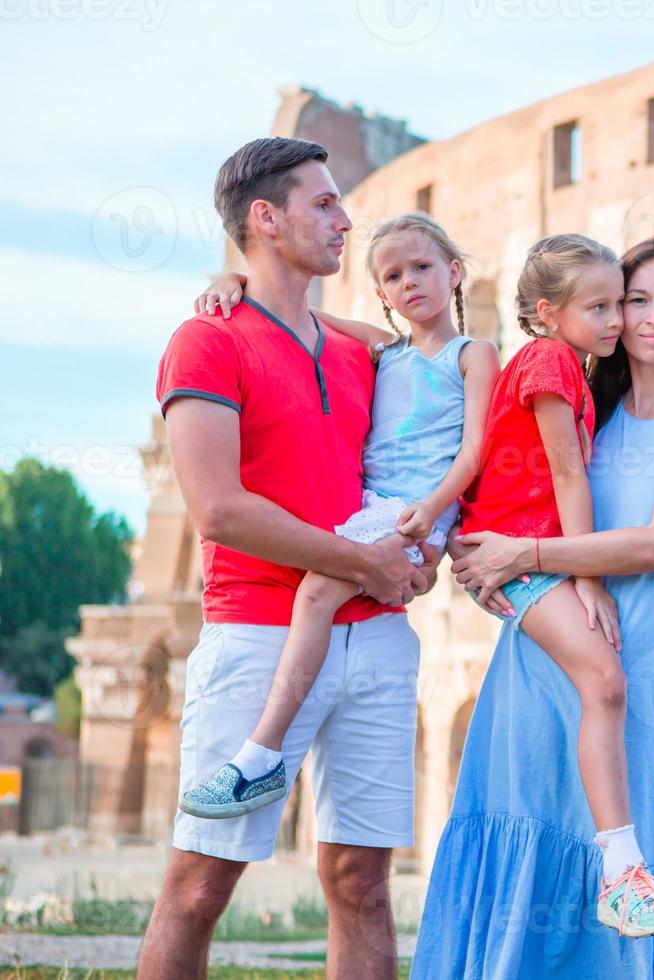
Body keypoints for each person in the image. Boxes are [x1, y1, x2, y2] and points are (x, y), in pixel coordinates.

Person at [412, 236, 654, 978]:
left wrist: (523, 556)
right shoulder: (579, 407)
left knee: (653, 850)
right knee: (545, 846)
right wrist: (243, 289)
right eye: (637, 301)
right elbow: (424, 352)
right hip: (550, 669)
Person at [137, 137, 429, 980]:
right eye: (324, 203)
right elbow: (218, 509)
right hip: (259, 634)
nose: (344, 219)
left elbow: (420, 376)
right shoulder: (204, 342)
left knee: (363, 883)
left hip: (375, 636)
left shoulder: (356, 352)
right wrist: (364, 561)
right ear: (264, 218)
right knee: (198, 886)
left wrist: (399, 563)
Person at [178, 213, 499, 820]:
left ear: (454, 273)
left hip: (413, 508)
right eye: (394, 276)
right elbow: (299, 314)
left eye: (423, 268)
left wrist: (433, 509)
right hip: (379, 507)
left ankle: (261, 754)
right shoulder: (385, 349)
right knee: (319, 596)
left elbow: (477, 447)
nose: (410, 284)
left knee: (316, 595)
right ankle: (265, 753)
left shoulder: (472, 354)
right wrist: (233, 281)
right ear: (381, 295)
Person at [455, 232, 654, 938]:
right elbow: (567, 473)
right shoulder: (553, 362)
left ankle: (618, 871)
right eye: (600, 306)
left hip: (526, 555)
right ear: (545, 312)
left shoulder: (565, 362)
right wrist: (586, 573)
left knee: (601, 688)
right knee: (606, 683)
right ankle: (621, 873)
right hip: (523, 559)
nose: (618, 320)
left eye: (618, 303)